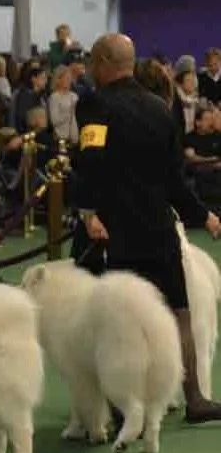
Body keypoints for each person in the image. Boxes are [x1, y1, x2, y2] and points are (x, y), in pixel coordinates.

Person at [76, 32, 221, 423]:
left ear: (104, 61)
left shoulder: (94, 104)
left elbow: (90, 162)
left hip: (116, 229)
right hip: (159, 227)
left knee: (119, 319)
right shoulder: (161, 107)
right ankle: (196, 398)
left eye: (92, 60)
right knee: (179, 312)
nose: (89, 67)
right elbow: (176, 180)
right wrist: (202, 215)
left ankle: (124, 409)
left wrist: (89, 214)